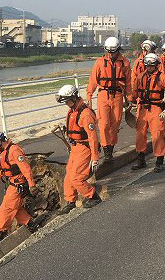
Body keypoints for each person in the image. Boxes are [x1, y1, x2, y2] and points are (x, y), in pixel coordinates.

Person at [0, 130, 37, 246]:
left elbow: (25, 168)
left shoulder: (14, 151)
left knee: (6, 208)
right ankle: (30, 224)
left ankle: (0, 233)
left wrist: (31, 185)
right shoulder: (4, 152)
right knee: (15, 208)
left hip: (18, 185)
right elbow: (1, 169)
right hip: (13, 184)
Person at [56, 84, 102, 215]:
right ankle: (70, 201)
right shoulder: (72, 111)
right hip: (76, 147)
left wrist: (94, 158)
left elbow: (93, 138)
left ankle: (93, 196)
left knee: (77, 177)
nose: (65, 104)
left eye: (67, 101)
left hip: (85, 148)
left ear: (74, 98)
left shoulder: (85, 114)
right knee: (69, 174)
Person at [86, 36, 132, 162]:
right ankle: (106, 152)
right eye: (109, 52)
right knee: (103, 124)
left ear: (118, 50)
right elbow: (92, 80)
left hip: (117, 96)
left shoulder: (125, 63)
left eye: (113, 52)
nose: (111, 55)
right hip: (103, 95)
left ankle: (110, 148)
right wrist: (89, 96)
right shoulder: (99, 62)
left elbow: (128, 83)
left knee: (115, 123)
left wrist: (130, 99)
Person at [131, 53, 165, 172]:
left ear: (157, 65)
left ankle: (159, 161)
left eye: (151, 66)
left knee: (157, 134)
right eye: (147, 66)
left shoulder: (162, 77)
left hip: (156, 109)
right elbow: (135, 93)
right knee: (140, 135)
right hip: (142, 109)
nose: (149, 68)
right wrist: (130, 103)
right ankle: (141, 160)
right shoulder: (140, 76)